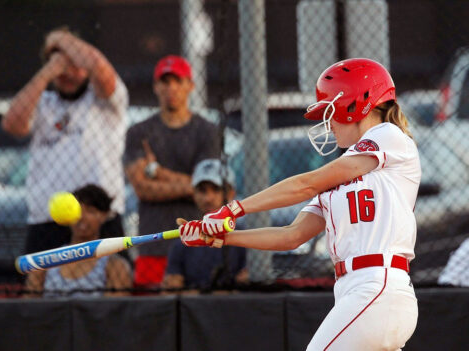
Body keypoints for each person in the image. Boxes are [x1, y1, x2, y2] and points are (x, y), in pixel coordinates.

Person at [180, 58, 421, 350]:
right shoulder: (343, 176)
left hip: (378, 286)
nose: (328, 124)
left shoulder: (388, 137)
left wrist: (233, 209)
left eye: (330, 111)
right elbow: (290, 236)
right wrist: (222, 236)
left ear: (356, 104)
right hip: (357, 292)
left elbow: (305, 184)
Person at [2, 26, 128, 255]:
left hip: (100, 217)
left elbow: (99, 67)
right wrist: (47, 72)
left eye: (74, 64)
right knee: (37, 288)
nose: (67, 73)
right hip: (47, 219)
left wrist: (58, 39)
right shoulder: (44, 102)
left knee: (112, 286)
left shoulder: (105, 100)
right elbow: (12, 124)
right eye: (60, 66)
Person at [124, 55, 220, 289]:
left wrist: (158, 171)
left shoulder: (207, 131)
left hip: (198, 240)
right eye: (165, 82)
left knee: (198, 311)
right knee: (151, 315)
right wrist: (191, 186)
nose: (171, 88)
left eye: (178, 81)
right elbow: (142, 189)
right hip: (153, 241)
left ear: (190, 85)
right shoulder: (139, 132)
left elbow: (209, 189)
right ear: (156, 87)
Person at [24, 184, 132, 298]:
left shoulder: (114, 266)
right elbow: (29, 308)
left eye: (90, 211)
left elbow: (114, 311)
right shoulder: (45, 263)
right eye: (77, 210)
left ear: (104, 216)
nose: (81, 217)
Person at [163, 159, 247, 291]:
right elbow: (172, 289)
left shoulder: (247, 238)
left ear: (231, 193)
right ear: (194, 194)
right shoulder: (182, 242)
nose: (208, 198)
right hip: (194, 310)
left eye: (216, 190)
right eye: (202, 190)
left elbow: (249, 288)